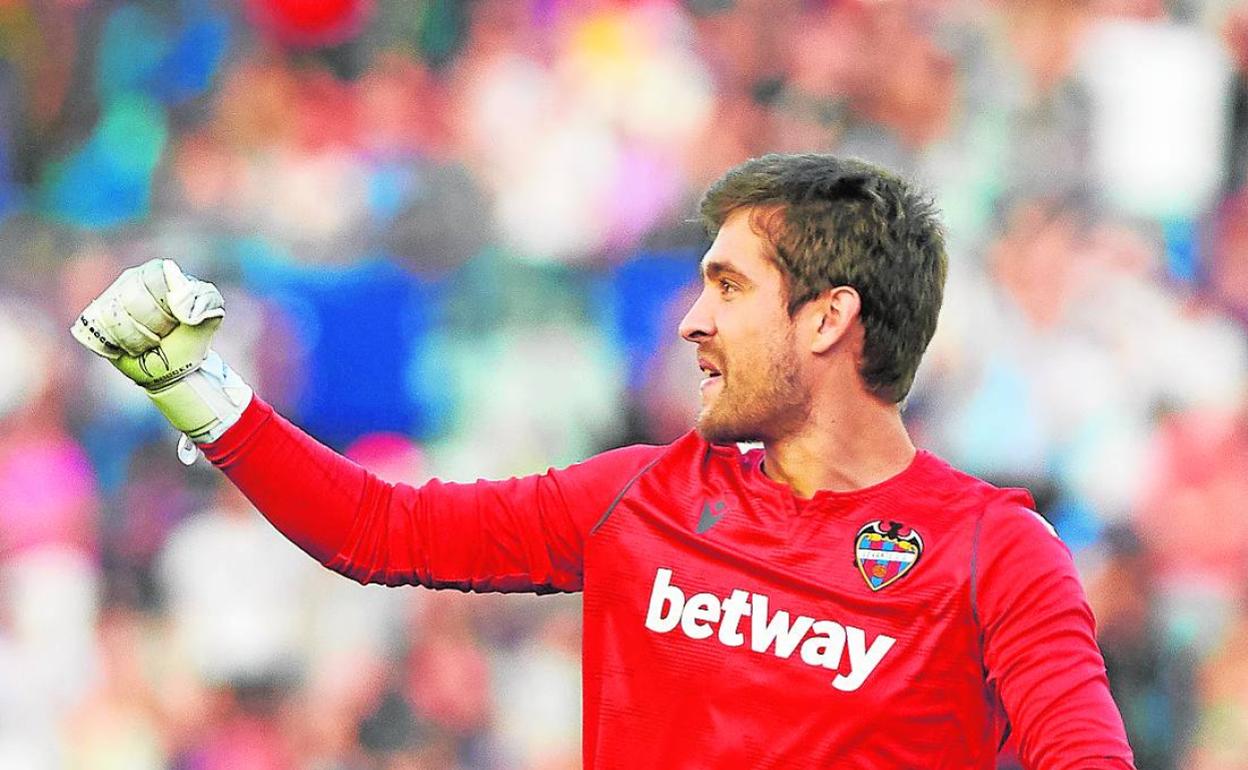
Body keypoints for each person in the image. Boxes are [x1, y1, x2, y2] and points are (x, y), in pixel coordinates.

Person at [72, 154, 1135, 769]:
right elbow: (377, 529)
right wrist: (196, 391)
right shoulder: (638, 495)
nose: (689, 321)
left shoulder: (996, 551)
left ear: (828, 318)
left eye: (727, 287)